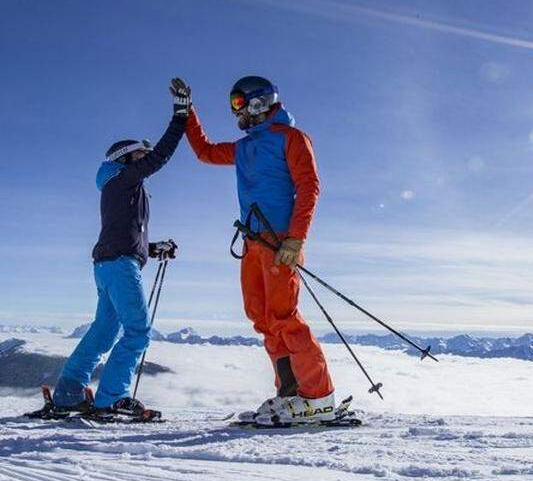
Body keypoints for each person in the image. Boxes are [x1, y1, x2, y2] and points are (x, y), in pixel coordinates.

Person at [174, 75, 337, 424]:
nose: (236, 111)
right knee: (262, 318)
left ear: (260, 102)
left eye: (239, 103)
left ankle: (319, 396)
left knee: (284, 317)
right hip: (252, 242)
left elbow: (309, 187)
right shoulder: (245, 147)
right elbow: (204, 152)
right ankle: (290, 393)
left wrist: (296, 239)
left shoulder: (291, 139)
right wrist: (187, 113)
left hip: (280, 240)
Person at [47, 80, 190, 419]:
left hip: (109, 263)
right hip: (120, 265)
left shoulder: (118, 186)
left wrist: (154, 248)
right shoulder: (124, 178)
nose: (145, 161)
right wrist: (180, 116)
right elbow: (160, 157)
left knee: (104, 330)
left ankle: (68, 394)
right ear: (126, 159)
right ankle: (111, 398)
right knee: (137, 331)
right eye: (139, 155)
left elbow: (124, 234)